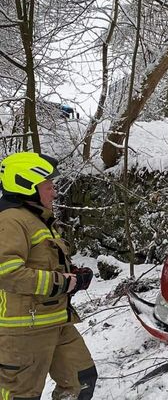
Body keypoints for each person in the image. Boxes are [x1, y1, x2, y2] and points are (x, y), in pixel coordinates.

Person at [0, 152, 97, 400]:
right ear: (26, 185)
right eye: (48, 186)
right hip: (23, 330)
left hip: (56, 322)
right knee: (21, 395)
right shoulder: (10, 220)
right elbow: (7, 272)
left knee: (81, 379)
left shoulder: (38, 219)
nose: (54, 192)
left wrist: (73, 275)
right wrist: (60, 283)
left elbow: (42, 263)